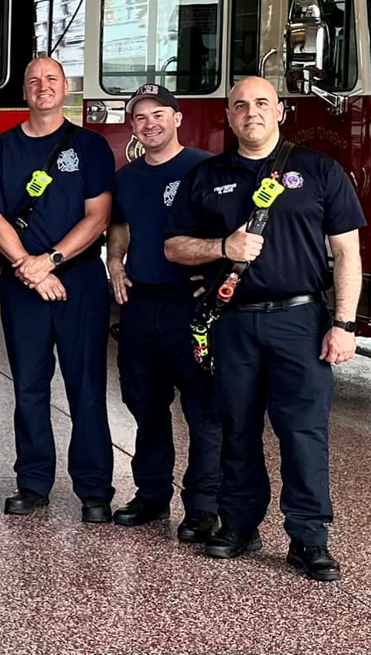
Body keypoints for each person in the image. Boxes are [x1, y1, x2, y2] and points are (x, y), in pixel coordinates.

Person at [161, 76, 365, 581]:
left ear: (279, 112)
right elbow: (173, 247)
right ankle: (239, 525)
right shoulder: (207, 176)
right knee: (237, 429)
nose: (250, 112)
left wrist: (343, 323)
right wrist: (221, 249)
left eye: (260, 103)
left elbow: (347, 254)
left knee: (303, 433)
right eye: (239, 106)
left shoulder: (319, 170)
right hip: (234, 324)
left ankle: (309, 538)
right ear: (229, 117)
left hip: (302, 321)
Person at [0, 56, 118, 521]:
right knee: (30, 387)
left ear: (66, 88)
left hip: (78, 280)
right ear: (23, 91)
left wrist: (51, 261)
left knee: (87, 387)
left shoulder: (91, 147)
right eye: (34, 80)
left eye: (51, 79)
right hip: (22, 285)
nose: (43, 87)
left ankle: (95, 488)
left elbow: (98, 215)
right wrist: (27, 266)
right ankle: (33, 482)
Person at [105, 83, 222, 544]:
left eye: (159, 114)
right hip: (141, 305)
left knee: (202, 410)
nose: (149, 123)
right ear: (132, 126)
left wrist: (213, 278)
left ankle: (201, 508)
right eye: (140, 117)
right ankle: (152, 495)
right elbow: (120, 223)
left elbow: (228, 228)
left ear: (177, 118)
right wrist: (115, 260)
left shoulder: (203, 168)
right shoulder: (128, 177)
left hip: (190, 307)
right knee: (145, 406)